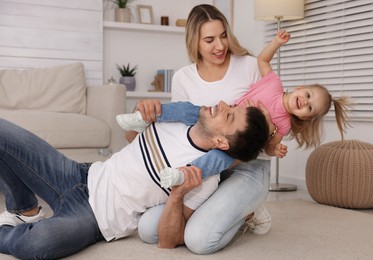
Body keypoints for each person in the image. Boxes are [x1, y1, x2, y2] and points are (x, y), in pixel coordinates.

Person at [0, 101, 269, 259]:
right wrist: (139, 112)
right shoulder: (174, 119)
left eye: (229, 115)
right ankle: (25, 210)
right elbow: (132, 141)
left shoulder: (203, 179)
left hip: (95, 218)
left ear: (222, 141)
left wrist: (177, 195)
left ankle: (12, 228)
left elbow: (168, 240)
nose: (222, 105)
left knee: (39, 245)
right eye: (231, 106)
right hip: (80, 174)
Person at [116, 30, 351, 187]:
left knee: (217, 161)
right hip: (223, 120)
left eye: (309, 108)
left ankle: (181, 174)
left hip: (237, 147)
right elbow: (263, 61)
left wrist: (275, 148)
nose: (304, 103)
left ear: (304, 117)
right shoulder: (274, 82)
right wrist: (276, 43)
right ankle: (145, 118)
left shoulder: (285, 123)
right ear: (301, 87)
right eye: (307, 96)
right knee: (187, 110)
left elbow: (267, 147)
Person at [129, 4, 273, 254]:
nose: (220, 46)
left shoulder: (250, 66)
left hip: (247, 165)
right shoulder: (183, 78)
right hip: (205, 169)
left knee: (198, 240)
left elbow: (271, 125)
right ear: (195, 42)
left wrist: (267, 124)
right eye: (209, 40)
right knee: (148, 229)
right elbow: (182, 132)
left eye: (223, 36)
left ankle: (245, 212)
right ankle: (221, 209)